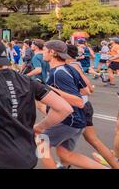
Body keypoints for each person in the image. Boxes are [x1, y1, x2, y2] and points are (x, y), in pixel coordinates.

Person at [0, 38, 74, 169]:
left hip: (3, 157)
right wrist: (40, 126)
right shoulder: (26, 80)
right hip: (28, 154)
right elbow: (65, 108)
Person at [41, 40, 106, 169]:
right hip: (76, 120)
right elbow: (84, 91)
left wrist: (51, 90)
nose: (42, 53)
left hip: (68, 120)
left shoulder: (58, 73)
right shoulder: (69, 68)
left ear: (52, 52)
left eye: (44, 50)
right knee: (64, 154)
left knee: (41, 143)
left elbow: (78, 101)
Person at [66, 45, 119, 169]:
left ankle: (115, 160)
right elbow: (88, 88)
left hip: (77, 107)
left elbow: (87, 90)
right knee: (94, 138)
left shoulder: (70, 67)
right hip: (83, 105)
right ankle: (115, 159)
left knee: (61, 147)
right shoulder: (76, 65)